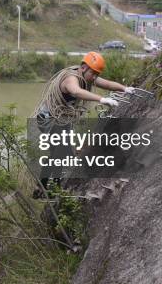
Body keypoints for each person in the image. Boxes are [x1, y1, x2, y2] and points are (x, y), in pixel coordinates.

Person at [31, 51, 136, 197]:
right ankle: (45, 188)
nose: (95, 77)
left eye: (96, 74)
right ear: (84, 67)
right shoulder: (70, 78)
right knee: (61, 152)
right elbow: (76, 91)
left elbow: (106, 84)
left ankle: (46, 187)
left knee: (61, 152)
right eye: (93, 73)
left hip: (61, 118)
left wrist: (124, 88)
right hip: (48, 119)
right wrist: (101, 99)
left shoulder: (87, 77)